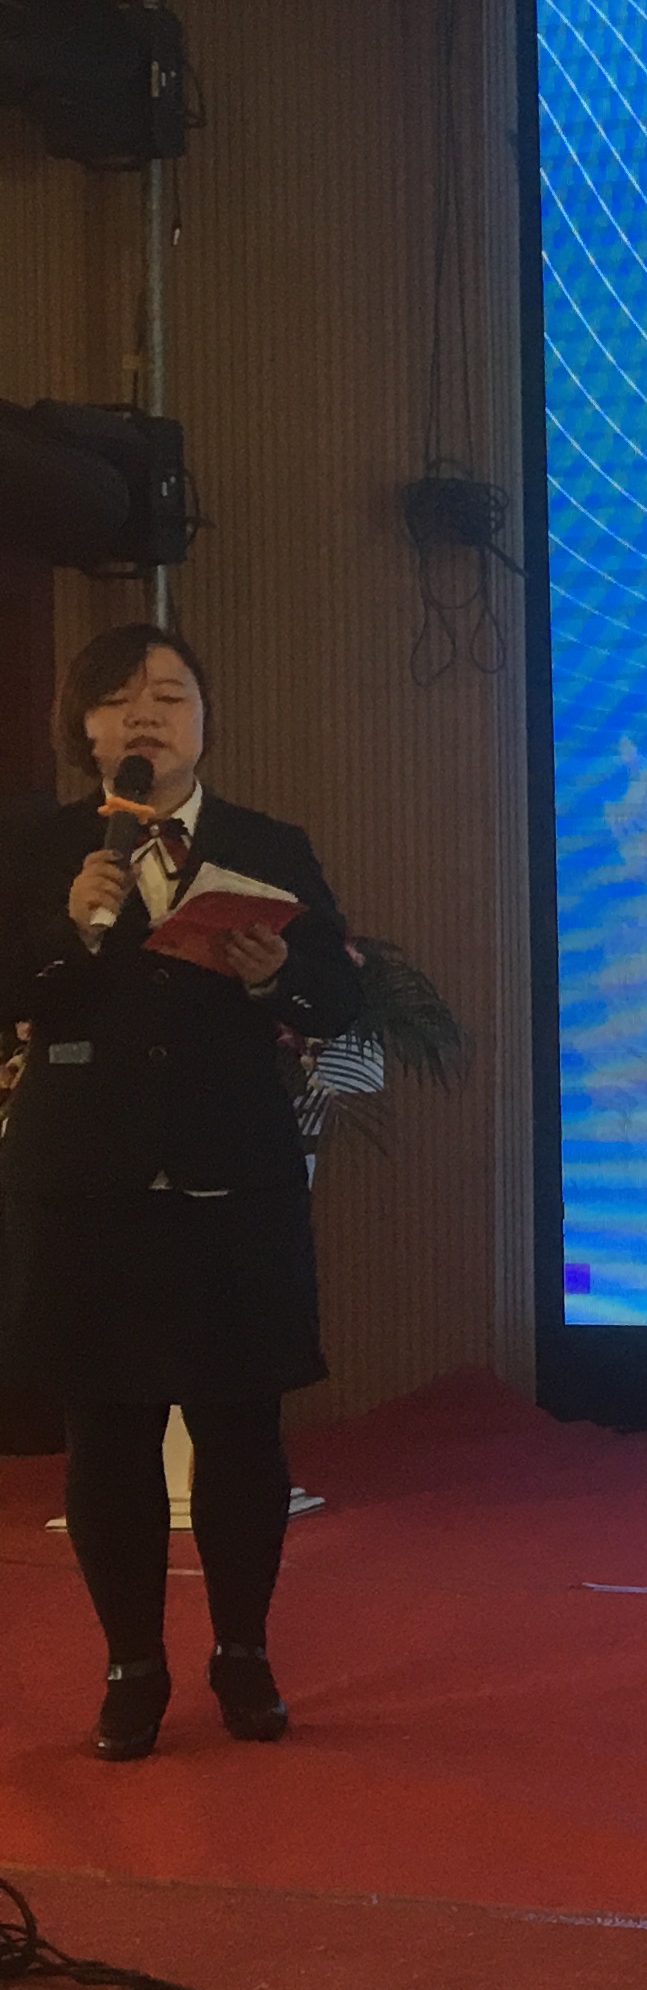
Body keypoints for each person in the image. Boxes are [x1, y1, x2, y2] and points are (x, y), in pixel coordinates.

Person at [3, 627, 360, 1761]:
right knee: (106, 1432)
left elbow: (340, 998)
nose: (146, 715)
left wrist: (279, 975)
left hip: (230, 1178)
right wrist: (67, 927)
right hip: (87, 1182)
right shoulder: (42, 845)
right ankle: (132, 1667)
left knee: (241, 1427)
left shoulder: (266, 845)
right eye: (119, 699)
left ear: (204, 721)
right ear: (86, 727)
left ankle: (243, 1653)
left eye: (169, 694)